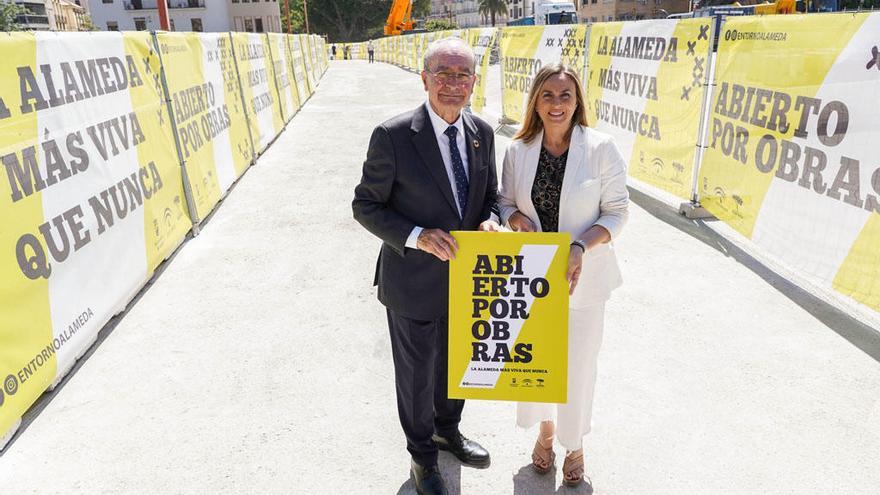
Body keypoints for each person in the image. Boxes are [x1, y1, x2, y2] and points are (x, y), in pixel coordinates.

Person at [353, 37, 500, 495]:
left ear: (474, 82)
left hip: (466, 280)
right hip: (412, 282)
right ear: (424, 78)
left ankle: (447, 430)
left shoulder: (482, 133)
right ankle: (422, 457)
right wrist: (418, 237)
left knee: (457, 364)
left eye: (462, 75)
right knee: (417, 375)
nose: (453, 85)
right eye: (443, 74)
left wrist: (491, 220)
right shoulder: (394, 136)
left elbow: (490, 194)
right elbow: (365, 206)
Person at [497, 63, 629, 487]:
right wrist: (516, 217)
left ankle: (574, 444)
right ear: (536, 100)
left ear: (578, 102)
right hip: (531, 279)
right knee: (535, 361)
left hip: (584, 281)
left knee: (578, 367)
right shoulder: (518, 150)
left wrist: (578, 246)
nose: (557, 104)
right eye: (548, 95)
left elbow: (617, 212)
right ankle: (546, 430)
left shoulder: (601, 148)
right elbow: (503, 203)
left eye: (565, 95)